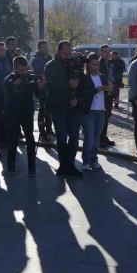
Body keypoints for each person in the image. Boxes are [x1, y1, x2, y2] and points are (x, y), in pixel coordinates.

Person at [44, 41, 83, 178]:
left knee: (74, 136)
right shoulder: (50, 66)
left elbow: (82, 83)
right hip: (58, 106)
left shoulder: (76, 64)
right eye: (65, 53)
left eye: (69, 53)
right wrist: (68, 85)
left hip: (74, 106)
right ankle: (63, 164)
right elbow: (50, 86)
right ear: (58, 51)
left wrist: (77, 97)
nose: (68, 56)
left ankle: (71, 164)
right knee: (61, 136)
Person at [3, 56, 44, 176]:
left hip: (26, 112)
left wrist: (40, 86)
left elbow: (38, 94)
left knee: (30, 138)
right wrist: (23, 84)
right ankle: (11, 166)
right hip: (12, 112)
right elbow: (14, 91)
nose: (25, 72)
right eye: (21, 70)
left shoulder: (30, 76)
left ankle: (32, 167)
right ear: (15, 69)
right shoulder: (9, 80)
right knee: (13, 140)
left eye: (26, 69)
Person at [77, 53, 113, 172]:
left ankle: (94, 159)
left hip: (100, 110)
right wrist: (95, 90)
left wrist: (109, 89)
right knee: (89, 138)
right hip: (89, 110)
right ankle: (86, 161)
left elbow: (107, 92)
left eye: (97, 64)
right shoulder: (84, 77)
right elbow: (82, 93)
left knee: (96, 138)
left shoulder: (102, 76)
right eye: (93, 64)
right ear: (88, 65)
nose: (96, 66)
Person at [31, 40, 54, 143]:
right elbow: (39, 73)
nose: (46, 49)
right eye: (44, 47)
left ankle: (49, 129)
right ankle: (42, 131)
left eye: (47, 46)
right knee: (43, 109)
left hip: (50, 87)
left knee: (49, 110)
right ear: (39, 48)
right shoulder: (37, 59)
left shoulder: (49, 58)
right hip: (42, 87)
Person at [0, 42, 12, 150]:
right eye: (1, 50)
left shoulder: (7, 60)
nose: (3, 51)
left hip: (8, 92)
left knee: (6, 116)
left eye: (4, 49)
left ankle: (6, 138)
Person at [98, 45, 116, 147]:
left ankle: (104, 136)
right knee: (103, 117)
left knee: (107, 116)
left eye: (109, 51)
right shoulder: (100, 64)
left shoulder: (108, 63)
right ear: (101, 52)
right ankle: (100, 138)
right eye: (105, 52)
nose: (108, 53)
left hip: (109, 94)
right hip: (103, 94)